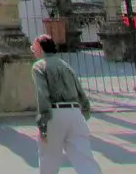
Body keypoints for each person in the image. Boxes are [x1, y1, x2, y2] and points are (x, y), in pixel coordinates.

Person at [31, 34, 101, 174]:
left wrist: (43, 123)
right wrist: (84, 113)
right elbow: (80, 92)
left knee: (49, 159)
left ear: (40, 48)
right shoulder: (65, 65)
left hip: (54, 113)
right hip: (75, 112)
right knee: (84, 158)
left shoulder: (39, 66)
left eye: (34, 47)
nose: (33, 50)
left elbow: (42, 94)